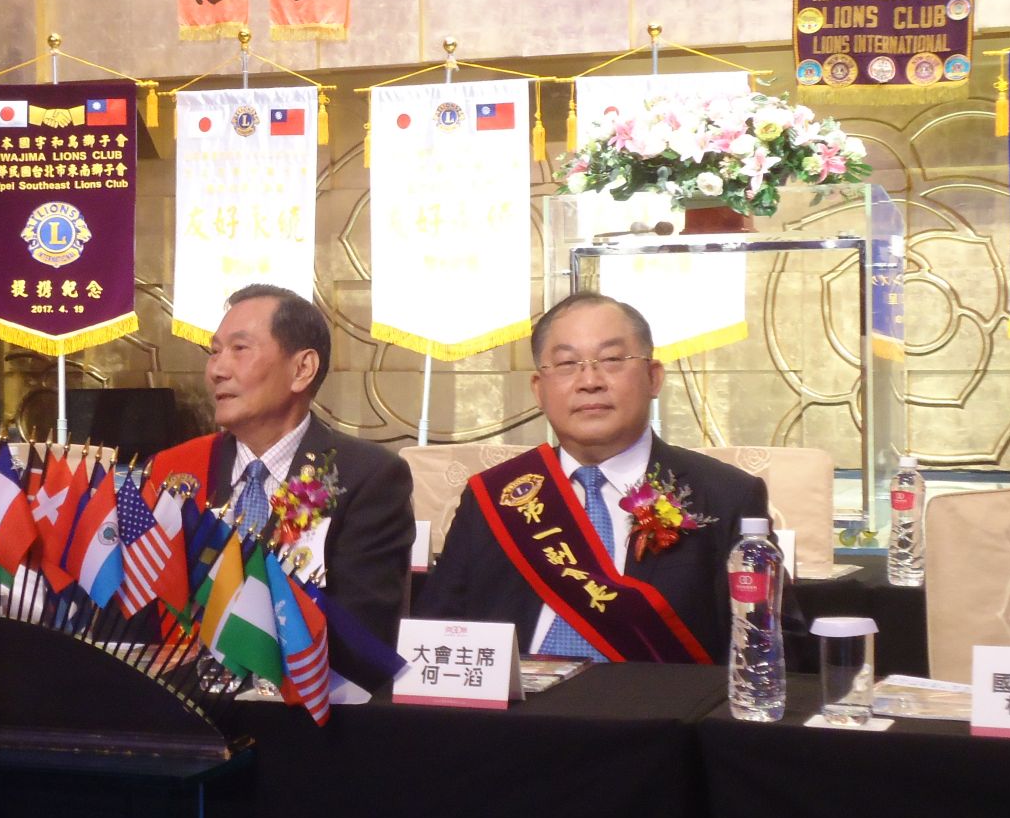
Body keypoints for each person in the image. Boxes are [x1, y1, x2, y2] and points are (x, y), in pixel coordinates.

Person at [418, 291, 769, 664]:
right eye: (567, 364)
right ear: (539, 389)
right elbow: (435, 637)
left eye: (612, 360)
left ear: (653, 377)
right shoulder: (494, 497)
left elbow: (767, 649)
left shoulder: (726, 497)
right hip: (521, 703)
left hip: (661, 702)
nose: (589, 381)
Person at [147, 284, 414, 646]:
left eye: (240, 349)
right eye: (214, 352)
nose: (217, 370)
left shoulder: (368, 477)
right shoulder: (173, 471)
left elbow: (362, 635)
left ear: (302, 369)